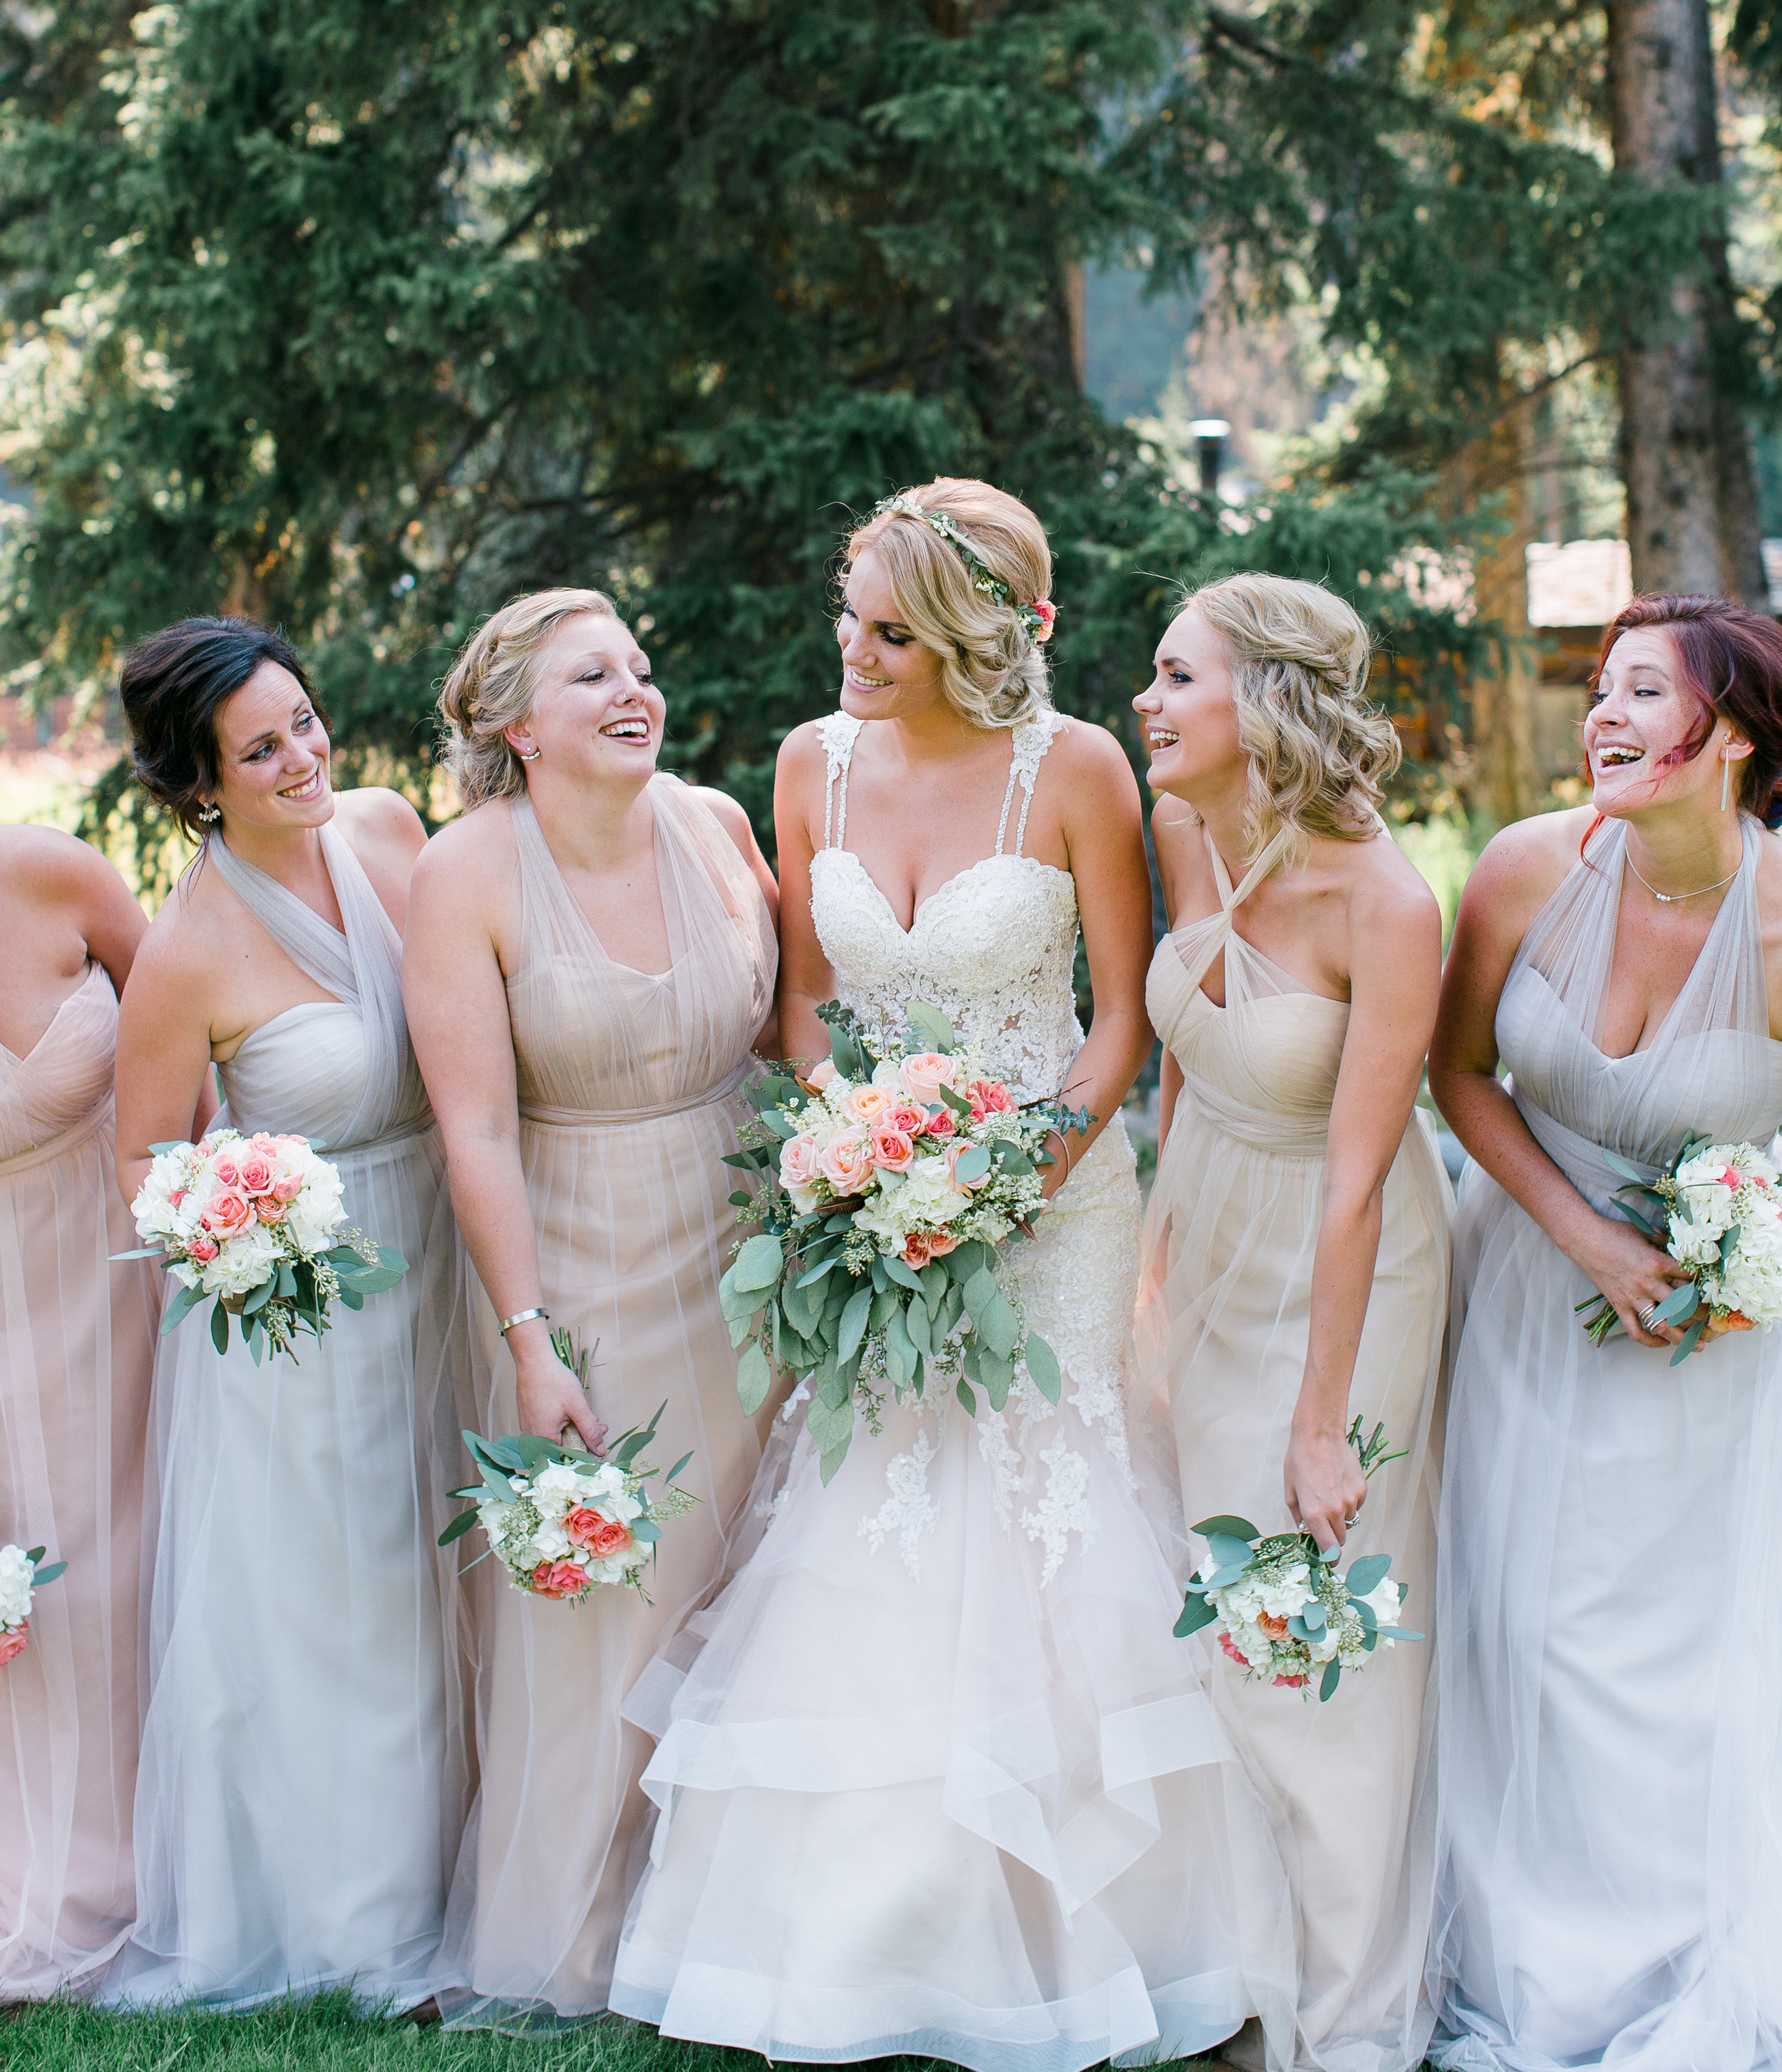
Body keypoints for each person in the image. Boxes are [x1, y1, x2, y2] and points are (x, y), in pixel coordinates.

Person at [611, 479, 1294, 2072]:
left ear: (980, 631)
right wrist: (844, 1158)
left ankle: (1102, 1932)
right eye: (848, 614)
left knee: (1054, 1504)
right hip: (866, 1195)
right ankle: (865, 1933)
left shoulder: (1075, 771)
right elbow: (801, 1000)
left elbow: (1118, 1018)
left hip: (1049, 1197)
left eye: (891, 629)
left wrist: (1003, 1184)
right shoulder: (809, 761)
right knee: (876, 1509)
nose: (853, 649)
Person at [405, 588, 780, 2029]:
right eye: (589, 678)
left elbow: (797, 1019)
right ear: (517, 725)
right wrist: (527, 1337)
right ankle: (573, 1944)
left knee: (755, 1578)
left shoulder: (713, 823)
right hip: (582, 1251)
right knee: (612, 1595)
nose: (635, 692)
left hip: (751, 1247)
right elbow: (476, 1132)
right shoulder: (469, 872)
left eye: (639, 665)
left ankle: (728, 1931)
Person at [1427, 592, 1782, 2072]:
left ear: (1734, 740)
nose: (1602, 716)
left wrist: (1728, 1252)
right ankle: (1507, 1949)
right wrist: (1578, 1233)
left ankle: (1656, 1957)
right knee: (1507, 1620)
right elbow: (1456, 1075)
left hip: (1708, 1346)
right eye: (1598, 686)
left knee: (1653, 1656)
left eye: (1642, 693)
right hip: (1519, 1291)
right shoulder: (1521, 868)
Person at [105, 616, 458, 2010]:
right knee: (354, 1605)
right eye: (262, 750)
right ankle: (366, 1929)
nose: (304, 758)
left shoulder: (385, 829)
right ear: (200, 786)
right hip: (304, 1305)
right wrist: (243, 1227)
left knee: (449, 1575)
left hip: (443, 1238)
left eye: (305, 721)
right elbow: (143, 1166)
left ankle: (484, 1874)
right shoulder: (186, 949)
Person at [1131, 574, 1450, 2072]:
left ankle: (1339, 2007)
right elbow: (1185, 1052)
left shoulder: (1382, 901)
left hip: (1347, 1270)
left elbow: (1359, 1177)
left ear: (1260, 702)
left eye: (1174, 676)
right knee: (1207, 1596)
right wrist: (1152, 1256)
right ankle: (1232, 1978)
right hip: (1208, 1239)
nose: (1147, 701)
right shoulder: (1183, 827)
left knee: (1317, 1620)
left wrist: (1321, 1417)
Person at [0, 828, 158, 1996]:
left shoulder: (54, 868)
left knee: (146, 1552)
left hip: (129, 1272)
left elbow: (182, 1029)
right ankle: (56, 1867)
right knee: (38, 1588)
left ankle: (180, 1845)